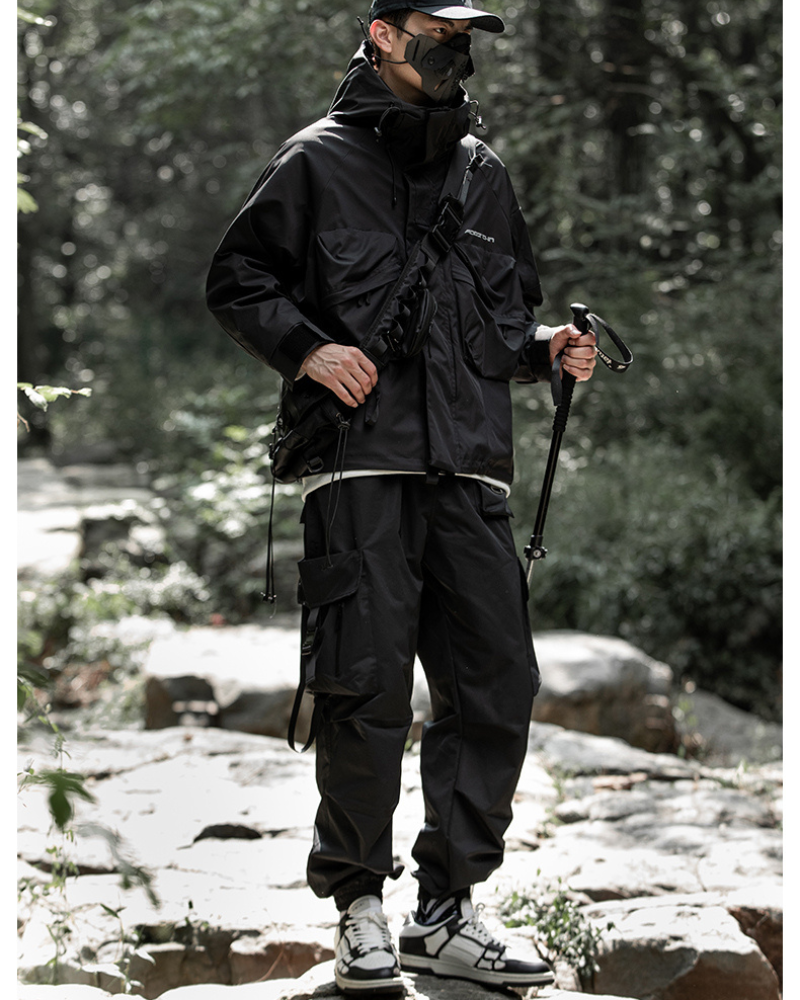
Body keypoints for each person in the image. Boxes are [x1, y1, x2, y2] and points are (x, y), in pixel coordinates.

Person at [206, 1, 597, 994]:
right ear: (382, 32)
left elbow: (500, 326)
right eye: (437, 26)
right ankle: (358, 909)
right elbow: (238, 280)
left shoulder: (483, 172)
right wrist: (309, 349)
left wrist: (547, 348)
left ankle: (448, 910)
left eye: (465, 34)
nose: (454, 46)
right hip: (358, 467)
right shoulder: (313, 160)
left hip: (471, 469)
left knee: (496, 683)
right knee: (363, 690)